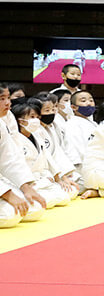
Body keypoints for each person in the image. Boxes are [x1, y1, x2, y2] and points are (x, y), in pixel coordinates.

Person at [1, 83, 46, 226]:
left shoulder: (4, 121)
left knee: (35, 208)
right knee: (10, 215)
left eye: (8, 98)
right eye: (2, 99)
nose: (8, 103)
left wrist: (26, 187)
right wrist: (8, 194)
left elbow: (9, 159)